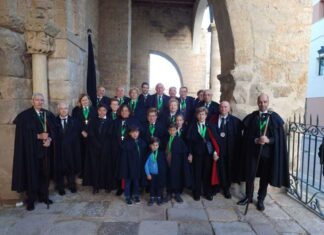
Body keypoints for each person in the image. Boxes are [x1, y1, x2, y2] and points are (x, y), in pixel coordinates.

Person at [237, 93, 289, 211]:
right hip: (253, 153)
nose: (262, 104)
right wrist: (256, 140)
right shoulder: (252, 117)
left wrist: (268, 140)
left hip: (267, 154)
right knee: (250, 175)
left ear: (268, 102)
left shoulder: (274, 118)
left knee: (264, 178)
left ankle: (260, 200)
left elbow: (279, 138)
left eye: (265, 102)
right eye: (260, 102)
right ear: (257, 103)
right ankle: (248, 197)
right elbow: (246, 137)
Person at [12, 93, 56, 211]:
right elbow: (22, 135)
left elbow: (54, 131)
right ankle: (31, 199)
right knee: (31, 174)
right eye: (37, 100)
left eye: (42, 100)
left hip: (45, 150)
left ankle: (43, 196)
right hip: (31, 152)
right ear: (32, 101)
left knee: (45, 174)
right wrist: (38, 136)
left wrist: (49, 139)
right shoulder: (24, 116)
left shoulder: (47, 114)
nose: (40, 102)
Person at [187, 107, 219, 201]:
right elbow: (189, 142)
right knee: (197, 173)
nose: (201, 116)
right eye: (200, 114)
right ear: (197, 116)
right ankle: (196, 192)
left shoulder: (211, 126)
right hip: (196, 154)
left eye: (203, 114)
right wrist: (190, 153)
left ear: (206, 115)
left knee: (207, 173)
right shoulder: (192, 126)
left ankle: (207, 192)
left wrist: (215, 152)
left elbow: (215, 141)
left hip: (208, 154)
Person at [111, 104, 142, 196]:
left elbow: (139, 132)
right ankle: (120, 187)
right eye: (122, 111)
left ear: (129, 111)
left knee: (129, 168)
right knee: (120, 168)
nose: (124, 112)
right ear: (120, 112)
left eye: (126, 110)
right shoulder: (116, 121)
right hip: (118, 149)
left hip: (130, 149)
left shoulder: (134, 120)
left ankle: (131, 188)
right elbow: (112, 135)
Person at [213, 101, 243, 199]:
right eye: (221, 107)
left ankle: (226, 189)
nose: (223, 109)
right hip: (217, 150)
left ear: (229, 109)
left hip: (229, 151)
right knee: (217, 168)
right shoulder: (213, 120)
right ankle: (216, 186)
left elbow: (238, 139)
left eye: (225, 107)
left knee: (228, 169)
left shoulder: (236, 121)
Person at [84, 104, 113, 194]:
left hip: (106, 148)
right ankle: (96, 186)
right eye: (100, 110)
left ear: (106, 111)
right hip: (94, 148)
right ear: (97, 111)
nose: (102, 112)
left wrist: (103, 145)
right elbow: (91, 134)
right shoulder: (93, 120)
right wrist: (97, 144)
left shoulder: (110, 121)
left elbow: (110, 134)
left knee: (106, 167)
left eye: (104, 110)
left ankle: (107, 185)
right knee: (95, 167)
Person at [54, 102, 81, 196]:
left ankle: (72, 185)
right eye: (61, 108)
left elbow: (77, 136)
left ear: (68, 109)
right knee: (60, 169)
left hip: (71, 149)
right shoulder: (54, 121)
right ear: (58, 110)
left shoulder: (74, 121)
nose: (64, 110)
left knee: (71, 167)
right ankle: (60, 187)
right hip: (59, 149)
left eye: (65, 108)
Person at [120, 126, 147, 205]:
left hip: (137, 167)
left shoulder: (141, 142)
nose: (135, 134)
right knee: (127, 183)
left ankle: (136, 195)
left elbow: (143, 155)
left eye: (137, 132)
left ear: (139, 133)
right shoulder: (126, 143)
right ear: (129, 133)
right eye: (133, 132)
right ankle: (127, 197)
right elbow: (124, 158)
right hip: (128, 167)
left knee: (136, 182)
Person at [164, 124, 191, 203]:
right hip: (167, 163)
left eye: (174, 130)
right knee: (168, 178)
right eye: (170, 130)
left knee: (176, 178)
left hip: (176, 163)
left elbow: (184, 151)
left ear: (176, 131)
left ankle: (176, 193)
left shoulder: (180, 140)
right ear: (168, 131)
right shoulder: (166, 140)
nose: (172, 132)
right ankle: (169, 193)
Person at [72, 94, 96, 178]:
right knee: (82, 153)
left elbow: (95, 122)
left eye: (86, 100)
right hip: (80, 136)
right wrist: (81, 131)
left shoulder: (93, 110)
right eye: (83, 100)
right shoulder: (76, 110)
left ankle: (91, 171)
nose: (85, 101)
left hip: (91, 135)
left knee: (91, 153)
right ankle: (83, 172)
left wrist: (89, 132)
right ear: (80, 102)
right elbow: (74, 122)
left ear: (89, 100)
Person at [145, 137, 167, 206]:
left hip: (159, 175)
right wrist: (148, 174)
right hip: (151, 175)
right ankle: (152, 198)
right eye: (153, 145)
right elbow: (146, 165)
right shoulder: (148, 154)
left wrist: (163, 174)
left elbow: (163, 165)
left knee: (159, 186)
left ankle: (159, 197)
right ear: (150, 145)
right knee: (152, 186)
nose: (155, 147)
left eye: (157, 145)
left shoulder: (161, 154)